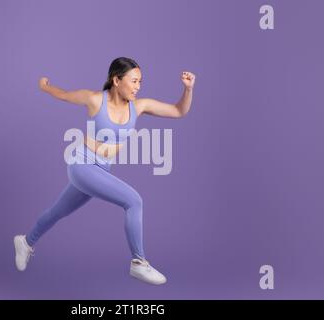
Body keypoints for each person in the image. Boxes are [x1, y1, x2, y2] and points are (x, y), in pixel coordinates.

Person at [14, 57, 196, 285]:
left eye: (140, 82)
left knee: (57, 212)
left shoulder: (138, 106)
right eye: (134, 81)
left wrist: (187, 89)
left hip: (101, 169)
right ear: (116, 80)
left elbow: (179, 111)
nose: (138, 86)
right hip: (81, 164)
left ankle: (26, 242)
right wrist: (44, 85)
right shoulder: (94, 100)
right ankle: (139, 263)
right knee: (134, 201)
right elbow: (63, 94)